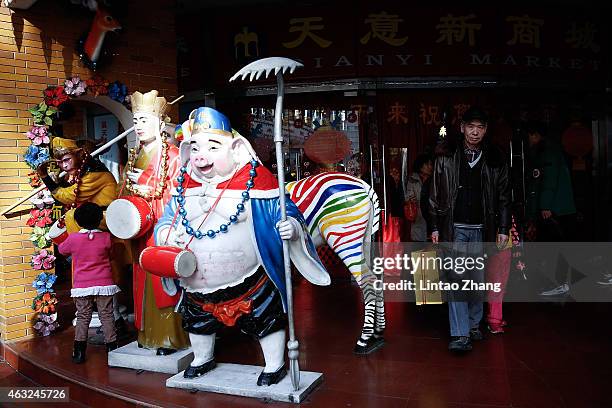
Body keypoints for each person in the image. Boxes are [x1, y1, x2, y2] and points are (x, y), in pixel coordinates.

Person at [429, 106, 511, 352]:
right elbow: (434, 194)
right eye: (471, 127)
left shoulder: (495, 159)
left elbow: (504, 197)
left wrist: (503, 228)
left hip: (482, 227)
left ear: (485, 130)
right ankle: (460, 333)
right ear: (462, 127)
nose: (475, 132)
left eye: (480, 127)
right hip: (454, 227)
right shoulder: (445, 155)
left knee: (476, 279)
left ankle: (474, 324)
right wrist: (434, 226)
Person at [120, 90, 189, 354]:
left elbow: (180, 191)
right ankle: (146, 333)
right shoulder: (135, 155)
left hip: (163, 226)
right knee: (142, 279)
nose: (138, 126)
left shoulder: (172, 156)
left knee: (164, 280)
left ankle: (170, 337)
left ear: (160, 124)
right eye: (135, 121)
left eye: (144, 120)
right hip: (140, 227)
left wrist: (147, 185)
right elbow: (124, 190)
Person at [37, 137, 128, 334]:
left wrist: (46, 179)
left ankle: (114, 321)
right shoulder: (81, 172)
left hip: (103, 224)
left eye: (66, 159)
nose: (63, 165)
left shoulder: (95, 174)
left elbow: (69, 196)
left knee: (106, 276)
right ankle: (112, 321)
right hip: (90, 229)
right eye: (60, 162)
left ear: (79, 155)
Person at [58, 202, 119, 364]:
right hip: (105, 283)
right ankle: (112, 348)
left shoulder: (73, 239)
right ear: (100, 219)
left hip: (82, 285)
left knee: (83, 316)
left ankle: (79, 352)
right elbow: (112, 255)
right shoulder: (106, 238)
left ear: (78, 221)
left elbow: (61, 250)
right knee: (106, 315)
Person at [525, 122, 577, 296]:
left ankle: (560, 284)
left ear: (535, 135)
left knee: (554, 247)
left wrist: (545, 206)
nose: (528, 140)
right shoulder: (551, 150)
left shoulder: (547, 153)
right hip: (558, 208)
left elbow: (548, 181)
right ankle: (561, 284)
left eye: (529, 136)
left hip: (554, 209)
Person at [405, 154, 433, 242]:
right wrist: (410, 200)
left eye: (431, 164)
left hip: (432, 217)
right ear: (421, 166)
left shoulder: (434, 179)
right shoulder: (412, 179)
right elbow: (407, 198)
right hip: (418, 218)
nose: (430, 167)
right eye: (427, 164)